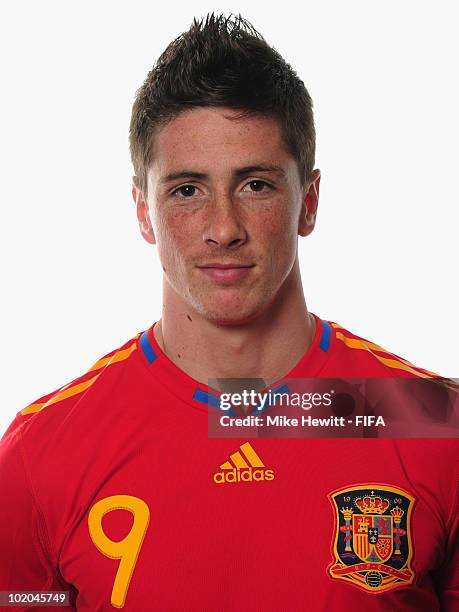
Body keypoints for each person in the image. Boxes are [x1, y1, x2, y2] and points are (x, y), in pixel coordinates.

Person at [0, 13, 457, 611]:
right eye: (187, 189)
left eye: (256, 185)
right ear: (143, 210)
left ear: (308, 201)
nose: (224, 229)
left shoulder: (433, 422)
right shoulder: (41, 455)